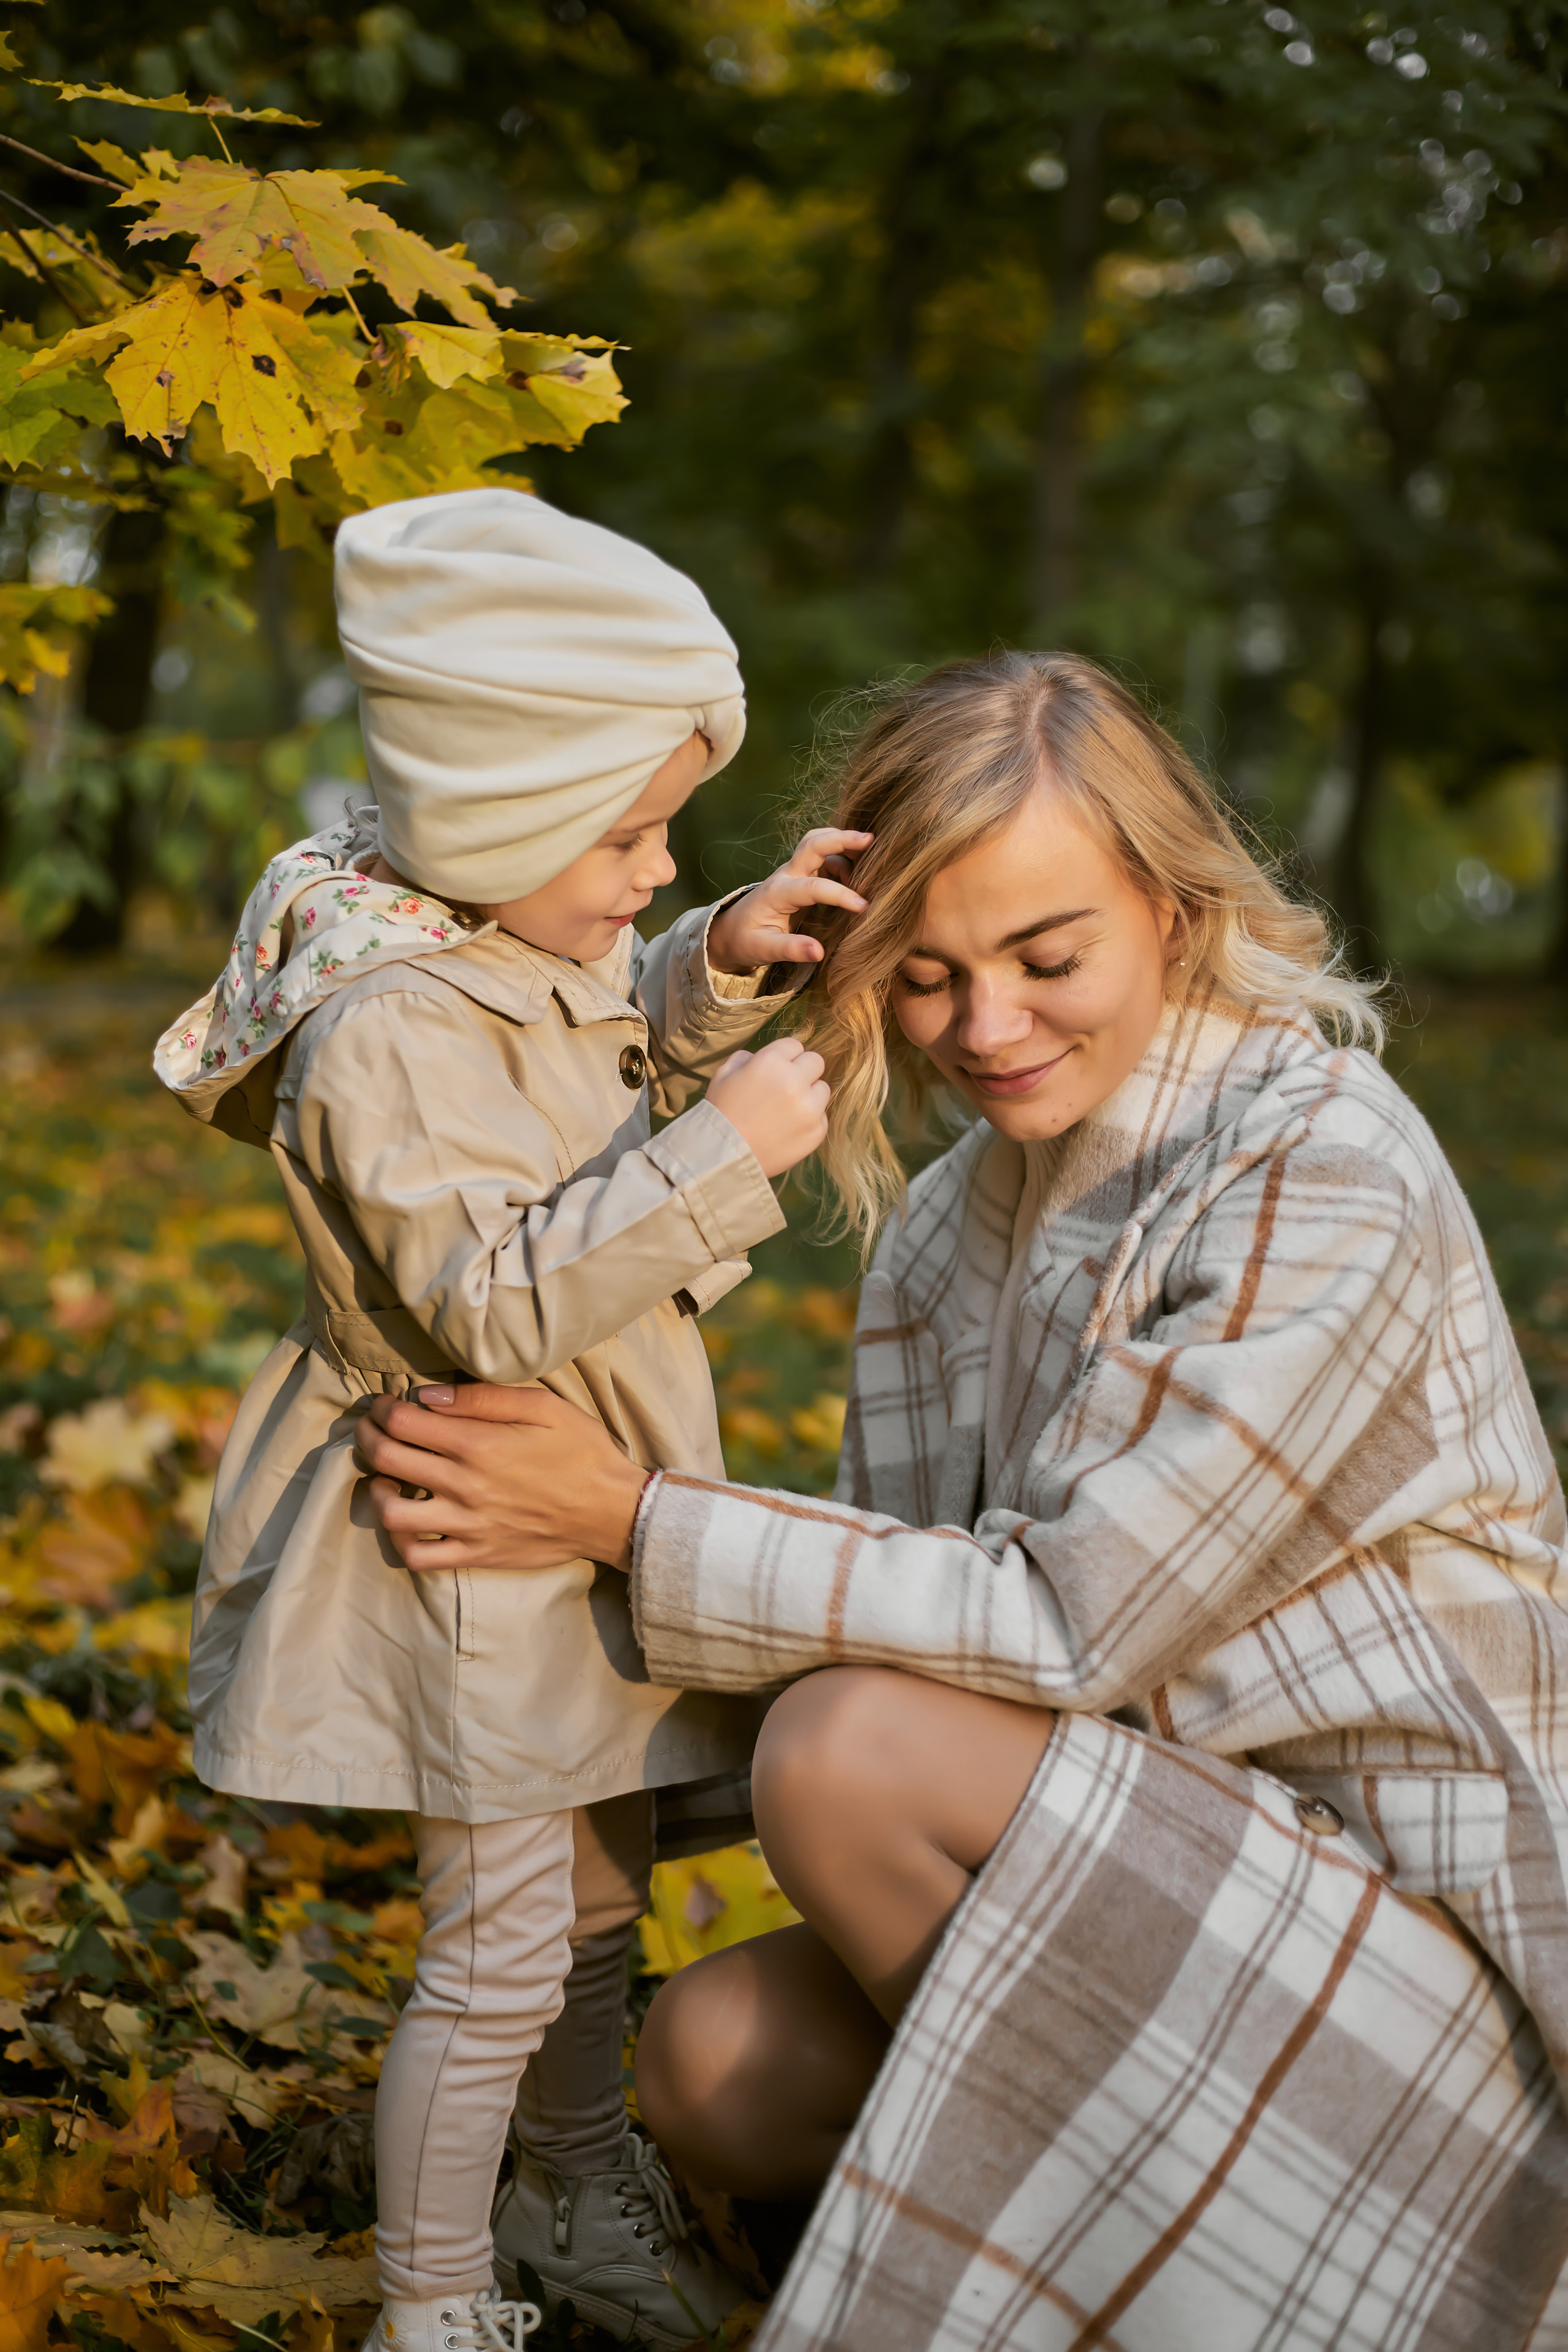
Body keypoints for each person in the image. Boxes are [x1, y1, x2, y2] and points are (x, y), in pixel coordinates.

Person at [357, 650, 1568, 2351]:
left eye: (1046, 956)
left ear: (1168, 903)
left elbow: (1057, 1625)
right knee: (714, 2063)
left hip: (1424, 1939)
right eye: (922, 978)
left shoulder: (1322, 1168)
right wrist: (534, 1726)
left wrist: (628, 1520)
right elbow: (926, 1632)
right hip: (1152, 1863)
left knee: (848, 1754)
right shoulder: (946, 1233)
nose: (986, 1028)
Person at [152, 488, 873, 2352]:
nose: (651, 865)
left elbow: (579, 1037)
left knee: (592, 1901)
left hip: (588, 1500)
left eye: (670, 831)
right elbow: (493, 1292)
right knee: (493, 1955)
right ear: (496, 817)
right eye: (629, 833)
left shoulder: (491, 933)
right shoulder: (377, 1024)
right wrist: (727, 1154)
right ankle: (436, 2301)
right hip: (469, 1525)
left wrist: (708, 966)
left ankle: (566, 2189)